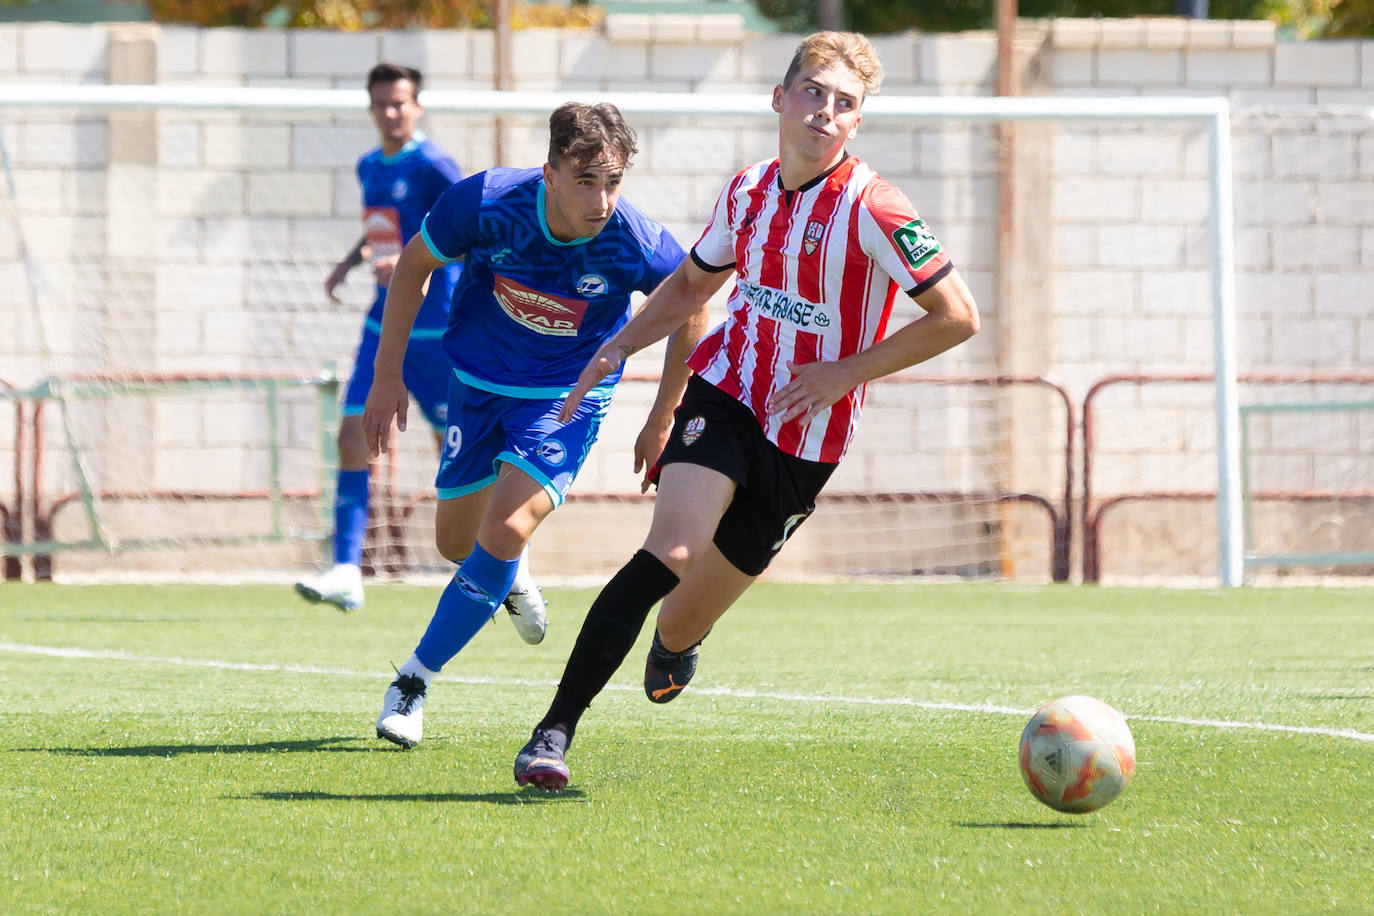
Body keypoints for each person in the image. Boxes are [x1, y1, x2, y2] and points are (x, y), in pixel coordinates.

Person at [512, 31, 982, 791]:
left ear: (856, 123)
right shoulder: (748, 190)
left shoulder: (876, 208)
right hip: (727, 391)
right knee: (670, 552)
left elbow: (959, 317)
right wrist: (619, 347)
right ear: (781, 97)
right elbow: (693, 286)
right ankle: (552, 733)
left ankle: (675, 644)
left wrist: (844, 373)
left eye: (844, 104)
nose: (824, 112)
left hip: (807, 435)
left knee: (680, 620)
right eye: (813, 92)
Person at [363, 101, 703, 748]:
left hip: (563, 399)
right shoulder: (489, 203)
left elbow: (691, 306)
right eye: (585, 181)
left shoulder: (632, 238)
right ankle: (509, 574)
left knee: (509, 524)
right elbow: (413, 266)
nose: (602, 199)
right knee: (457, 543)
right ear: (549, 172)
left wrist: (664, 415)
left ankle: (413, 681)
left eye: (613, 182)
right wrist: (388, 376)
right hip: (478, 387)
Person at [294, 62, 548, 642]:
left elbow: (468, 235)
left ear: (418, 107)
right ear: (371, 107)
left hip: (436, 329)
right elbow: (385, 228)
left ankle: (512, 566)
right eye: (381, 103)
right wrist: (353, 259)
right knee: (351, 435)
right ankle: (345, 570)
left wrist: (414, 266)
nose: (391, 112)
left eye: (400, 103)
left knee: (458, 455)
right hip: (384, 324)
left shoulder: (435, 166)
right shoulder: (368, 167)